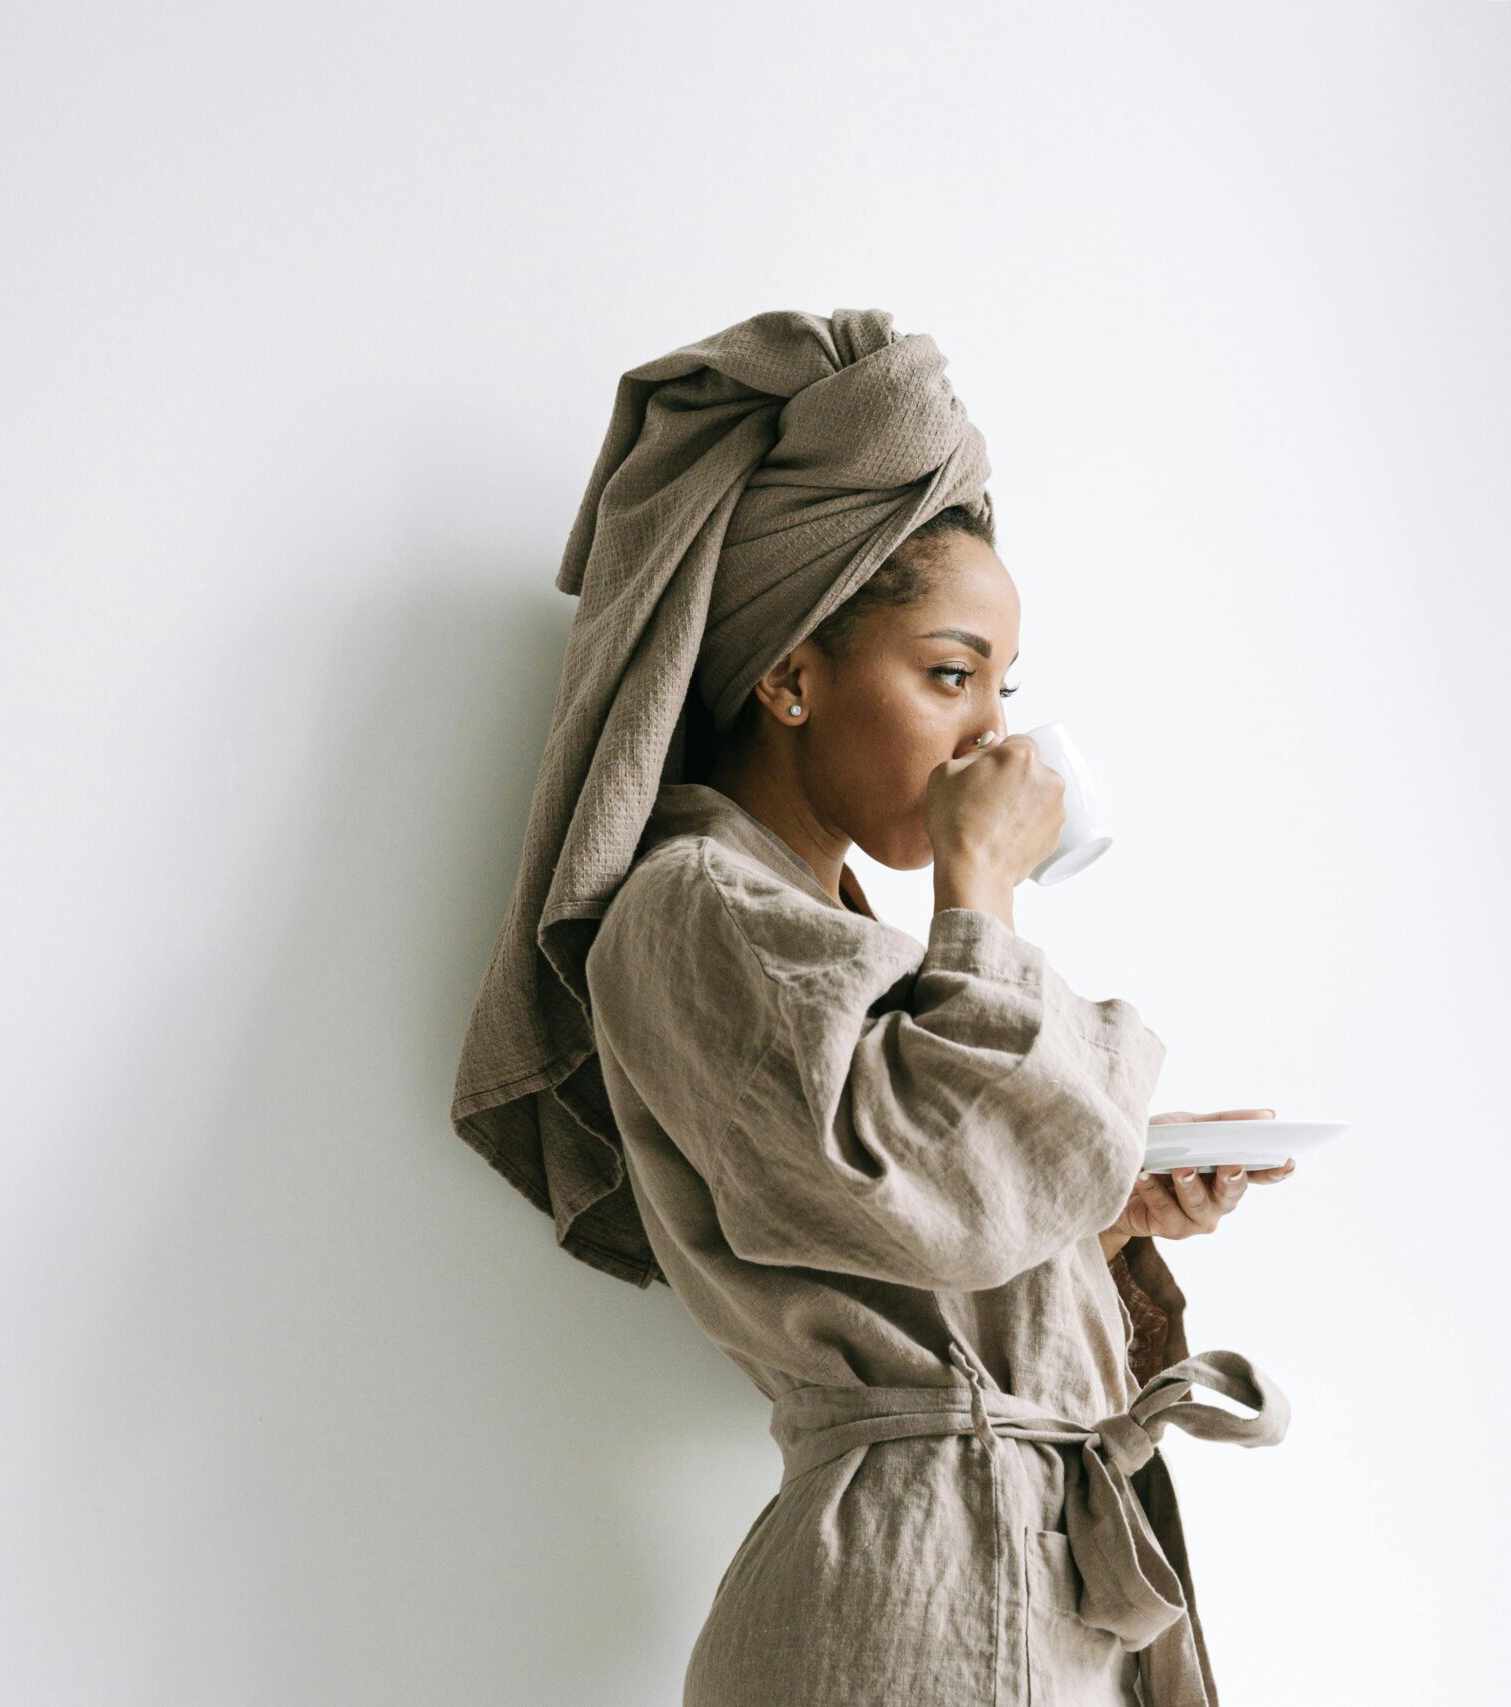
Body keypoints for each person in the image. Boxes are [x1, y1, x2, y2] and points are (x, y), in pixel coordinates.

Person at [448, 310, 1296, 1707]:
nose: (993, 739)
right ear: (789, 675)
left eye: (1001, 689)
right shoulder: (689, 911)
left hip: (1018, 1586)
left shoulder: (843, 942)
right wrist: (981, 884)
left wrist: (1100, 1205)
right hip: (908, 1607)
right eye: (950, 676)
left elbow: (930, 1213)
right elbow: (913, 1195)